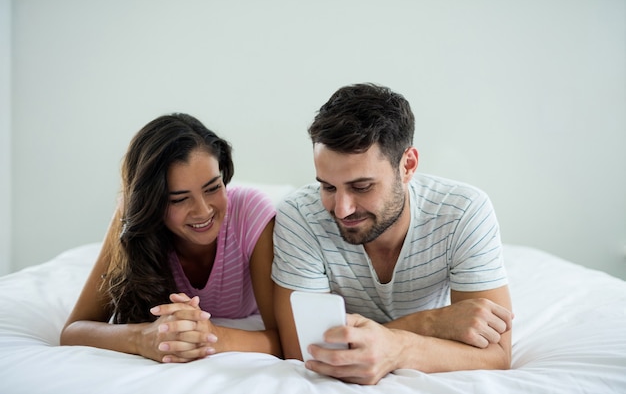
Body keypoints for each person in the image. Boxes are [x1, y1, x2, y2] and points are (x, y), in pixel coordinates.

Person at [271, 83, 513, 385]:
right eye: (328, 187)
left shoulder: (463, 212)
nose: (342, 209)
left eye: (362, 187)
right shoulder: (300, 216)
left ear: (407, 166)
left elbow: (497, 354)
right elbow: (306, 352)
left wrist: (396, 349)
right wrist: (431, 323)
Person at [61, 113, 281, 362]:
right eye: (179, 199)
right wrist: (143, 338)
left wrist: (210, 335)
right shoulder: (130, 219)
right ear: (152, 203)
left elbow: (285, 339)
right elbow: (73, 331)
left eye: (213, 188)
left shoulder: (250, 212)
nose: (203, 211)